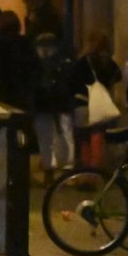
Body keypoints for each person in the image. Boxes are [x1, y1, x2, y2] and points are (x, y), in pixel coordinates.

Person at [70, 30, 122, 170]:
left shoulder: (83, 61)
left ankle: (85, 174)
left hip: (82, 103)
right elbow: (118, 77)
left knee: (84, 141)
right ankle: (96, 172)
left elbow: (72, 82)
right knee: (97, 139)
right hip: (100, 106)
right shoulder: (108, 62)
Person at [34, 31, 77, 184]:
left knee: (58, 135)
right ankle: (56, 168)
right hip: (52, 103)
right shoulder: (61, 61)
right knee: (56, 136)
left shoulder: (52, 62)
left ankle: (58, 168)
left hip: (52, 103)